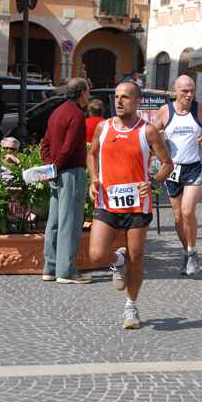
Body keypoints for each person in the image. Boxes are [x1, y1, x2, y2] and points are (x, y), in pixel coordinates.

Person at [87, 81, 173, 329]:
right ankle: (118, 261)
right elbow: (92, 154)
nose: (119, 101)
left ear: (137, 102)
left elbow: (167, 164)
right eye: (116, 97)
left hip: (137, 205)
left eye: (125, 97)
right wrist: (94, 178)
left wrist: (153, 182)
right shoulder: (103, 127)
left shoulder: (147, 132)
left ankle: (131, 307)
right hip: (106, 202)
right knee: (96, 255)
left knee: (136, 258)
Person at [155, 75, 202, 276]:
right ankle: (188, 252)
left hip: (195, 167)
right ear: (175, 91)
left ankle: (191, 254)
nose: (189, 95)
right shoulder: (165, 111)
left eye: (192, 90)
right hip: (173, 169)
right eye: (185, 91)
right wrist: (159, 139)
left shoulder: (201, 109)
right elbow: (153, 133)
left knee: (187, 211)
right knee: (177, 217)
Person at [40, 78, 92, 284]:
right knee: (70, 222)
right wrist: (56, 167)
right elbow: (68, 148)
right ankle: (66, 270)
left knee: (54, 222)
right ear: (81, 93)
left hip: (57, 172)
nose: (89, 95)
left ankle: (50, 268)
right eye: (88, 91)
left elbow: (45, 144)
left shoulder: (56, 112)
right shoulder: (77, 114)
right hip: (71, 172)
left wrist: (51, 166)